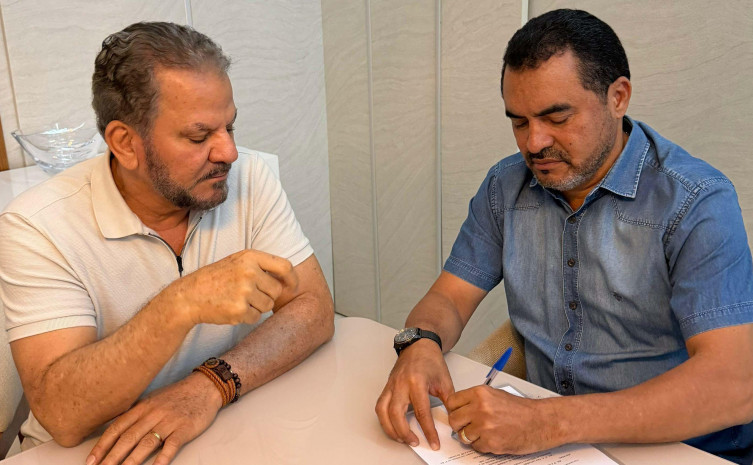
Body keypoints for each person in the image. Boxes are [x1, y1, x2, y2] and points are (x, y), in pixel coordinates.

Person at [375, 9, 753, 464]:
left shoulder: (695, 202)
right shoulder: (505, 187)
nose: (534, 143)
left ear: (618, 97)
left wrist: (548, 423)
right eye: (519, 122)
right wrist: (419, 343)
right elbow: (450, 298)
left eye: (556, 117)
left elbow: (735, 385)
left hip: (682, 448)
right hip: (554, 444)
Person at [0, 22, 334, 465]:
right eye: (199, 136)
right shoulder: (37, 225)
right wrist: (182, 302)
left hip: (218, 430)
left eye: (230, 127)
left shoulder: (249, 177)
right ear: (125, 143)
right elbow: (63, 415)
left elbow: (313, 308)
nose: (229, 153)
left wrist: (211, 385)